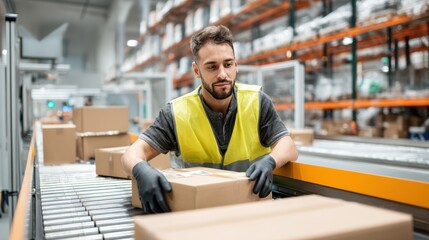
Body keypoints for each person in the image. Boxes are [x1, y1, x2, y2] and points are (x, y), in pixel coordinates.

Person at [121, 25, 298, 214]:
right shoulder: (177, 113)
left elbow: (288, 146)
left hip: (248, 209)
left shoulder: (257, 102)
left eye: (228, 64)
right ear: (197, 70)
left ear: (236, 65)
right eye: (212, 67)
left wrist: (270, 161)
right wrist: (141, 170)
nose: (222, 74)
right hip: (194, 214)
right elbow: (130, 155)